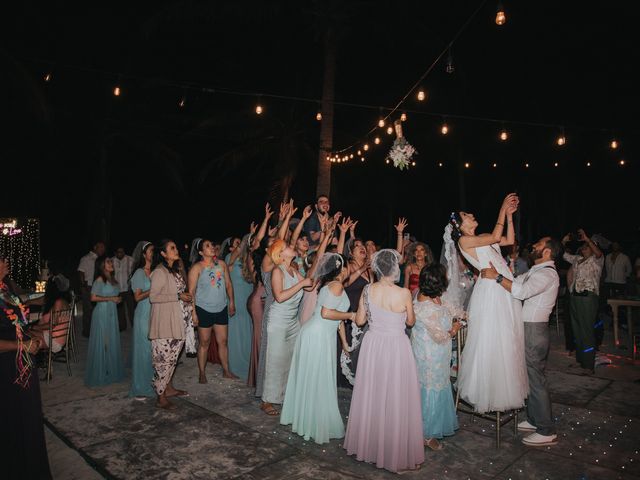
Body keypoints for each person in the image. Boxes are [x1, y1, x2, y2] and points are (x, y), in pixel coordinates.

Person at [344, 249, 424, 474]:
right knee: (395, 395)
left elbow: (359, 321)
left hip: (373, 345)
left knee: (374, 393)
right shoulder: (404, 293)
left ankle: (369, 447)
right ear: (394, 268)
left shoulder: (368, 290)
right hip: (396, 347)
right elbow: (410, 322)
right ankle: (394, 451)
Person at [482, 236, 562, 446]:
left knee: (536, 379)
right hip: (527, 328)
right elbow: (517, 281)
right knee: (528, 376)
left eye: (539, 244)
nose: (533, 245)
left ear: (547, 252)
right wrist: (500, 270)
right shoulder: (536, 270)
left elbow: (521, 291)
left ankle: (546, 429)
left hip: (534, 330)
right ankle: (535, 419)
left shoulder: (546, 274)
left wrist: (497, 277)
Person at [453, 193, 529, 413]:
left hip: (503, 288)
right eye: (466, 215)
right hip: (490, 292)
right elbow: (497, 235)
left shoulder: (484, 236)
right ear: (460, 225)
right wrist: (502, 208)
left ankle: (506, 388)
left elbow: (508, 240)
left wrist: (509, 216)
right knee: (492, 340)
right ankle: (490, 391)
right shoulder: (464, 241)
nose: (471, 214)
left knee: (507, 337)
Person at [280, 253, 355, 444]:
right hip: (318, 336)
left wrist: (345, 343)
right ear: (341, 268)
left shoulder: (331, 285)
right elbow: (327, 313)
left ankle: (308, 420)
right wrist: (351, 315)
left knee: (313, 377)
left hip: (317, 334)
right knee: (317, 377)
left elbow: (335, 320)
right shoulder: (336, 286)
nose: (349, 269)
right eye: (347, 266)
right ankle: (314, 422)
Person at [0, 254, 52, 479]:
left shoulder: (7, 289)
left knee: (29, 417)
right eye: (0, 260)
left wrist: (42, 278)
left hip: (23, 360)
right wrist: (19, 345)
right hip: (5, 365)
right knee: (11, 419)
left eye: (5, 260)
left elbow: (37, 298)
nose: (6, 263)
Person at [412, 264, 463, 451]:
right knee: (429, 387)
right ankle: (426, 433)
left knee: (440, 384)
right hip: (428, 354)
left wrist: (461, 314)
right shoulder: (423, 306)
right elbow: (440, 335)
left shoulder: (435, 297)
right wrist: (455, 329)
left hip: (440, 354)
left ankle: (431, 427)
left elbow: (449, 309)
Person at [260, 239, 313, 416]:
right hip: (278, 320)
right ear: (281, 254)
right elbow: (280, 297)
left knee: (289, 361)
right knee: (274, 361)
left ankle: (283, 396)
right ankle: (267, 400)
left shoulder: (294, 269)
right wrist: (302, 284)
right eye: (287, 247)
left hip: (292, 320)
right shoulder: (277, 271)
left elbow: (309, 285)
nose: (291, 248)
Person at [149, 239, 191, 409]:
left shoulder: (174, 271)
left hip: (177, 320)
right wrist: (178, 297)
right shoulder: (159, 272)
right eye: (172, 248)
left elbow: (179, 293)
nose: (176, 249)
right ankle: (160, 397)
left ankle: (169, 388)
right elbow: (153, 297)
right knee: (163, 360)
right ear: (163, 254)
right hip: (164, 322)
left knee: (172, 359)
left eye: (176, 246)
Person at [189, 238, 237, 383]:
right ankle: (202, 373)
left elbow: (228, 284)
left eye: (212, 245)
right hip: (204, 309)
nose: (212, 247)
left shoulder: (221, 264)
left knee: (223, 341)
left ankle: (226, 371)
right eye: (207, 246)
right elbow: (191, 292)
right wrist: (193, 313)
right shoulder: (197, 268)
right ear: (201, 252)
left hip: (221, 307)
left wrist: (231, 302)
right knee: (204, 342)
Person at [562, 229, 604, 373]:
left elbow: (598, 253)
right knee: (577, 330)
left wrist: (586, 238)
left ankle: (589, 364)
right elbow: (563, 254)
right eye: (584, 246)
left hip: (588, 298)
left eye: (588, 246)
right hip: (575, 296)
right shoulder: (577, 260)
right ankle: (581, 360)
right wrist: (564, 241)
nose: (585, 248)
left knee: (586, 330)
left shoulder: (597, 260)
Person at [84, 256, 125, 387]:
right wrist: (111, 298)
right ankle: (101, 371)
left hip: (112, 312)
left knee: (111, 340)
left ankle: (109, 368)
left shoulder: (112, 279)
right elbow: (93, 298)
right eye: (108, 262)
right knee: (104, 341)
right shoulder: (100, 279)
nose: (111, 263)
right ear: (102, 265)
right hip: (102, 313)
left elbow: (115, 296)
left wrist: (118, 299)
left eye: (111, 261)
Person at [128, 241, 156, 398]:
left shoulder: (156, 270)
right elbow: (137, 297)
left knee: (154, 350)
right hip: (144, 314)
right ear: (144, 254)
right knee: (144, 350)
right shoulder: (139, 272)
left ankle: (155, 382)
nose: (153, 253)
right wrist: (153, 290)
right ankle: (141, 384)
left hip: (155, 312)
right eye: (151, 251)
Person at [226, 234, 254, 382]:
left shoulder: (247, 259)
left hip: (248, 296)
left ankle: (249, 362)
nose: (238, 246)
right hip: (236, 297)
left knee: (248, 329)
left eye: (240, 243)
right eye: (236, 243)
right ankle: (236, 364)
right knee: (236, 331)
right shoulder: (229, 259)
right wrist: (245, 239)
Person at [77, 240, 106, 337]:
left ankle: (96, 330)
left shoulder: (101, 259)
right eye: (100, 247)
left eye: (103, 247)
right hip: (89, 286)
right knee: (88, 310)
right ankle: (87, 332)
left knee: (97, 310)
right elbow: (81, 272)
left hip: (99, 286)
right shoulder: (86, 258)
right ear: (95, 247)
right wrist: (84, 287)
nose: (103, 249)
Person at [112, 246, 135, 331]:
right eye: (118, 252)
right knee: (120, 310)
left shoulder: (131, 260)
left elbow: (134, 272)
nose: (120, 253)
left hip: (128, 289)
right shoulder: (111, 260)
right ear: (115, 253)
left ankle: (134, 325)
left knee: (131, 309)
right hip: (117, 289)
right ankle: (122, 326)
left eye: (122, 251)